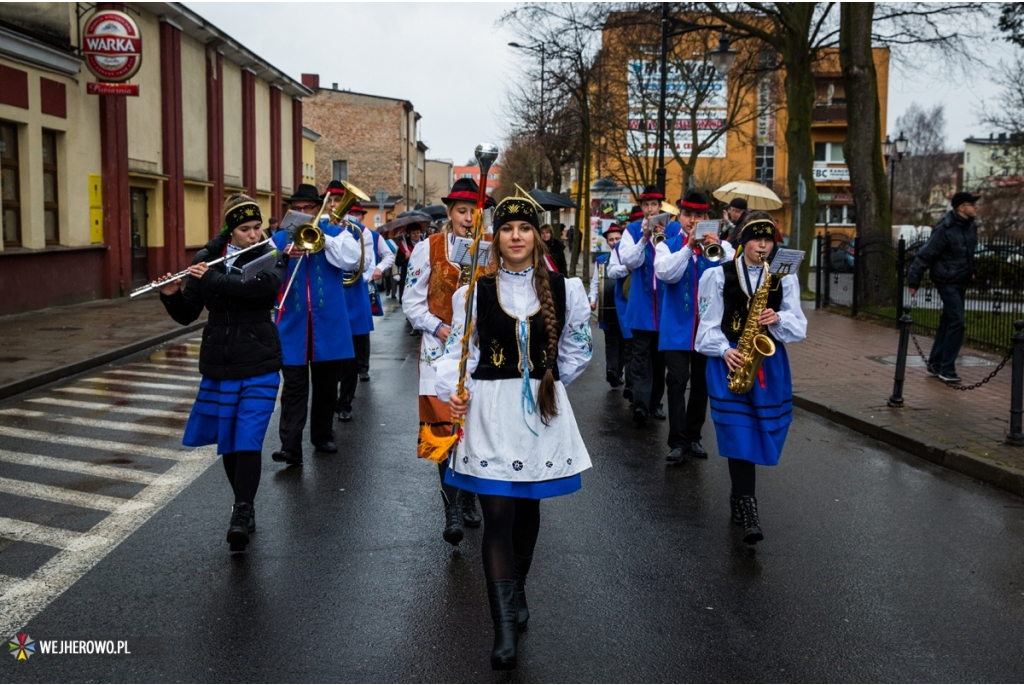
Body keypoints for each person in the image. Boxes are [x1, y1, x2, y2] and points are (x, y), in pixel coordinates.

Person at [435, 190, 592, 671]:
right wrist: (455, 391)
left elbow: (577, 350)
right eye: (507, 228)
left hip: (542, 414)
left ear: (537, 236)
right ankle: (503, 626)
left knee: (526, 510)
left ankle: (518, 588)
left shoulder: (568, 291)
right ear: (496, 238)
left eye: (524, 228)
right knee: (497, 514)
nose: (516, 236)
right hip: (488, 413)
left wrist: (548, 381)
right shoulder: (473, 292)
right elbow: (453, 356)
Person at [157, 194, 288, 551]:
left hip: (259, 359)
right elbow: (187, 313)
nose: (253, 233)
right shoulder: (206, 259)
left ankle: (241, 512)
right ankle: (244, 503)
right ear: (231, 230)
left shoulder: (271, 254)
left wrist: (212, 278)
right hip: (221, 362)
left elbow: (261, 291)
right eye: (245, 228)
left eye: (257, 226)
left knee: (248, 437)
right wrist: (171, 294)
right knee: (230, 441)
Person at [695, 211, 807, 544]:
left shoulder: (784, 276)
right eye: (756, 238)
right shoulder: (718, 275)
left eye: (768, 238)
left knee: (762, 431)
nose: (762, 245)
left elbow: (798, 326)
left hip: (768, 361)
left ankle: (737, 495)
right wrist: (723, 350)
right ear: (743, 241)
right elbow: (706, 328)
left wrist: (778, 318)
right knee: (738, 434)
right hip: (731, 358)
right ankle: (749, 507)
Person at [402, 178, 490, 545]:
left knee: (474, 426)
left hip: (481, 353)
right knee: (443, 428)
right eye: (462, 211)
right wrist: (438, 328)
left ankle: (469, 495)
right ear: (451, 214)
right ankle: (451, 507)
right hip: (438, 351)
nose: (468, 218)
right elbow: (411, 301)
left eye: (473, 212)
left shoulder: (490, 250)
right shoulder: (428, 248)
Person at [270, 183, 362, 465]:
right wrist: (284, 254)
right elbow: (265, 271)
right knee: (294, 388)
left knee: (325, 386)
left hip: (328, 323)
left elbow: (351, 260)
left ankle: (323, 435)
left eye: (308, 208)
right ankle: (290, 447)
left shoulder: (337, 233)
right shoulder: (277, 239)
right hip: (293, 323)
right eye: (297, 209)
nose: (302, 213)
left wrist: (324, 236)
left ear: (318, 209)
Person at [655, 190, 735, 463]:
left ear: (707, 218)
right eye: (688, 215)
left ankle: (694, 437)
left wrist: (719, 249)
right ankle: (677, 441)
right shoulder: (667, 243)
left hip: (708, 327)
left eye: (699, 216)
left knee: (702, 384)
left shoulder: (721, 245)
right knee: (677, 382)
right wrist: (689, 246)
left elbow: (737, 269)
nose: (693, 220)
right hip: (676, 326)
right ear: (680, 216)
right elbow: (666, 273)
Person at [618, 185, 679, 426]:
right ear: (642, 208)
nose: (650, 209)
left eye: (654, 205)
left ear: (661, 206)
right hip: (642, 303)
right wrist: (644, 238)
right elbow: (629, 261)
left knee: (660, 357)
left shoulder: (673, 228)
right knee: (641, 356)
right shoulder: (632, 230)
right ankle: (641, 405)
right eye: (646, 205)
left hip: (666, 303)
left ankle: (655, 403)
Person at [907, 191, 980, 384]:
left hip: (960, 279)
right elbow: (926, 254)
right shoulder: (945, 228)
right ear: (960, 207)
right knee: (957, 320)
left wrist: (972, 269)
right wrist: (913, 280)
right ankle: (947, 369)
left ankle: (935, 363)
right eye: (972, 204)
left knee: (949, 320)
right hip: (945, 279)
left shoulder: (970, 226)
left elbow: (969, 252)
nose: (976, 207)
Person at [335, 198, 377, 420]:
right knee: (329, 357)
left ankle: (345, 403)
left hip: (352, 295)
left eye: (338, 201)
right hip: (330, 296)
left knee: (351, 356)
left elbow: (367, 261)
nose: (334, 205)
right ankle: (330, 401)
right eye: (330, 200)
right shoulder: (318, 229)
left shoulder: (361, 232)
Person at [588, 224, 629, 388]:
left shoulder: (629, 256)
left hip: (625, 307)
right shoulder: (601, 260)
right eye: (611, 239)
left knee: (625, 342)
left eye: (617, 238)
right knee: (611, 341)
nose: (614, 242)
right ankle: (612, 372)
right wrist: (592, 299)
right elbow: (595, 283)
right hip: (608, 306)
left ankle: (619, 371)